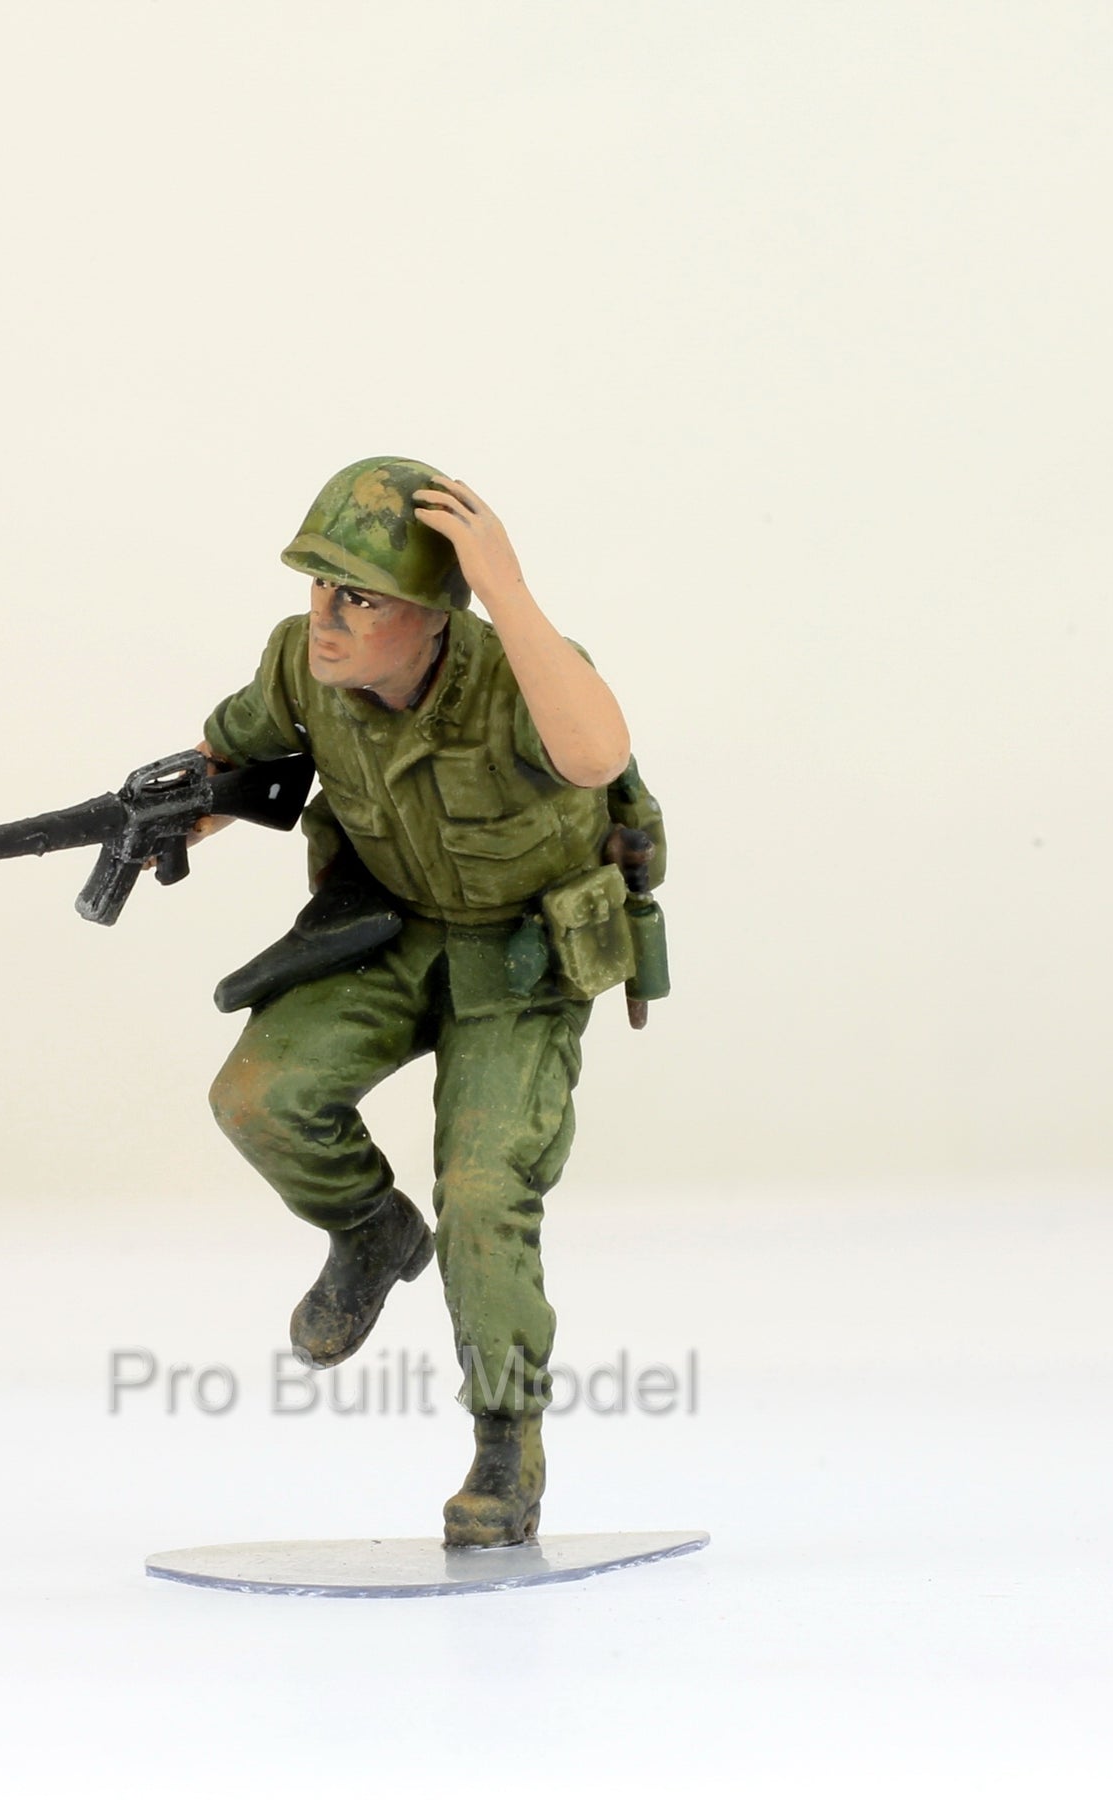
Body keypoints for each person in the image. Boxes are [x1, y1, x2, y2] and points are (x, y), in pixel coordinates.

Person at [200, 456, 664, 1547]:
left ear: (434, 613)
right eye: (321, 586)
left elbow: (597, 752)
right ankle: (370, 1232)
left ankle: (506, 1441)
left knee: (485, 1192)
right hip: (391, 932)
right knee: (259, 1097)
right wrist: (171, 819)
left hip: (520, 960)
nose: (326, 617)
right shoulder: (299, 663)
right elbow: (232, 758)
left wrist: (505, 585)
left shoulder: (525, 678)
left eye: (361, 598)